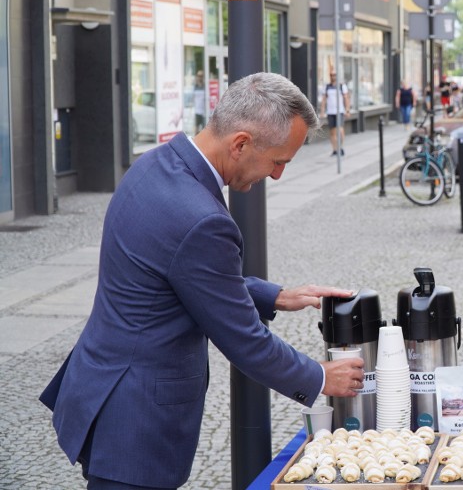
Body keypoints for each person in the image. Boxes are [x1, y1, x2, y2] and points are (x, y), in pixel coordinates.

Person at [39, 72, 365, 489]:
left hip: (106, 390)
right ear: (241, 143)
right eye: (279, 161)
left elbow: (179, 275)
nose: (279, 175)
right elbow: (244, 340)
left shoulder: (155, 165)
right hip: (137, 421)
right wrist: (321, 376)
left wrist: (278, 296)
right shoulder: (202, 219)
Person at [319, 71, 351, 156]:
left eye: (335, 75)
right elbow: (324, 100)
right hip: (330, 112)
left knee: (340, 130)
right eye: (332, 75)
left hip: (340, 111)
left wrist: (347, 110)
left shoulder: (341, 86)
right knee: (332, 132)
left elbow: (346, 98)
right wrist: (322, 111)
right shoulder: (327, 86)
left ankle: (341, 147)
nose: (333, 76)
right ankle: (335, 149)